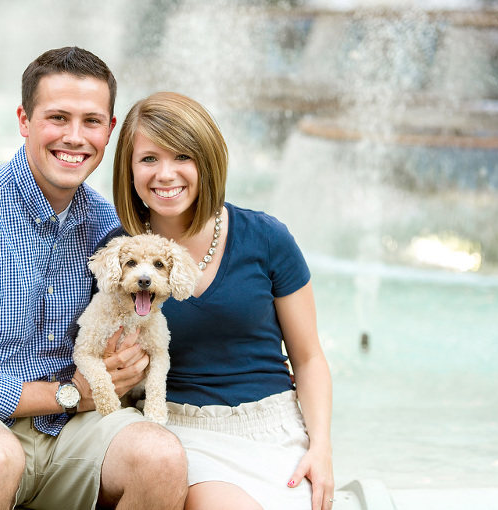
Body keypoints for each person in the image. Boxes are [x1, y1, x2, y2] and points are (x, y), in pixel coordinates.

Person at [0, 48, 188, 510]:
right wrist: (70, 394)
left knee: (161, 458)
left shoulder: (110, 233)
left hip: (72, 431)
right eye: (57, 117)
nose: (74, 137)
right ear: (24, 120)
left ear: (109, 131)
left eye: (91, 121)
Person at [108, 92, 334, 510]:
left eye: (182, 157)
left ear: (206, 161)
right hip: (179, 433)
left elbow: (308, 358)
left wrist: (321, 449)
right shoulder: (118, 256)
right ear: (129, 169)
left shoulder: (266, 237)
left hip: (276, 429)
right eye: (148, 159)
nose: (165, 174)